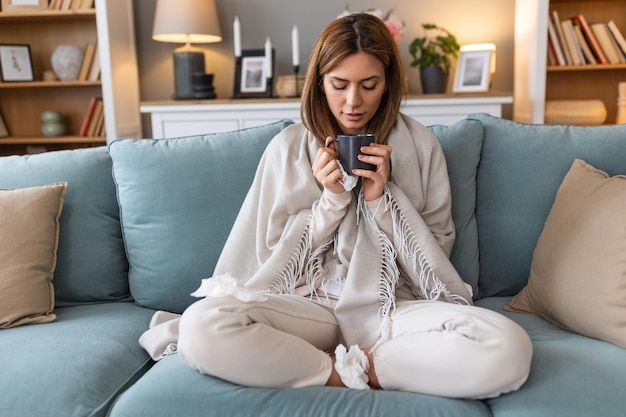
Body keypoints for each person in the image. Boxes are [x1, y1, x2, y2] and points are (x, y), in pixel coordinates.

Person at [141, 13, 532, 399]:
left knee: (508, 346)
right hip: (308, 305)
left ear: (388, 85)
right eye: (339, 84)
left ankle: (370, 365)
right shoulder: (287, 149)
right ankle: (332, 371)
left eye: (369, 84)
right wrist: (332, 199)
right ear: (319, 84)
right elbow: (268, 261)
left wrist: (382, 199)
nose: (353, 102)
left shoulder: (421, 146)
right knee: (202, 325)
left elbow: (434, 257)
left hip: (393, 306)